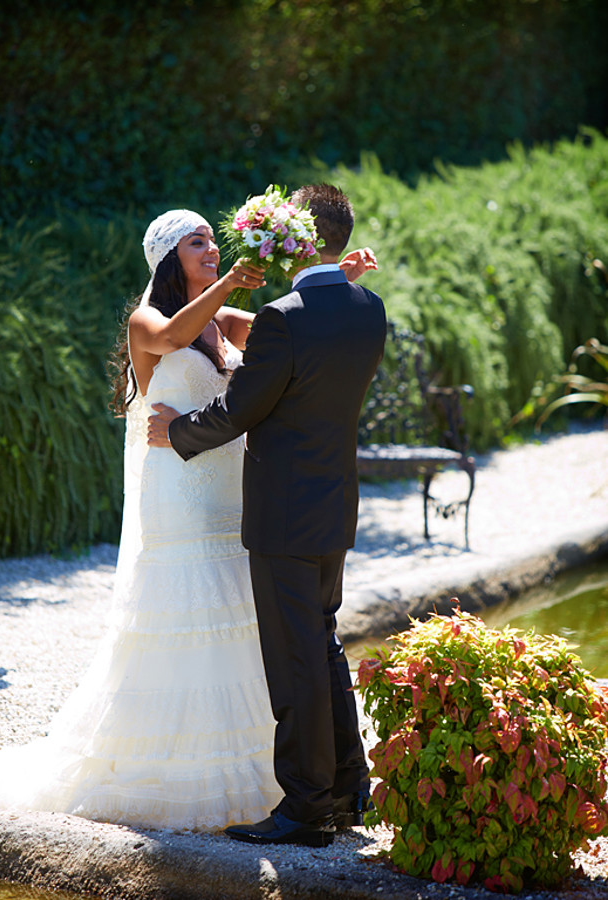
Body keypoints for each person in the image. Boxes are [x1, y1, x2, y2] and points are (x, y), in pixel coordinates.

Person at [0, 210, 282, 830]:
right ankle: (168, 768)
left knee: (235, 616)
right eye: (198, 242)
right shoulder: (148, 319)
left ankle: (256, 765)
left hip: (228, 490)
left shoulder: (223, 319)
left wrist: (326, 278)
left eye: (214, 240)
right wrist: (229, 284)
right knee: (187, 611)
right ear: (168, 258)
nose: (212, 248)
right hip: (178, 492)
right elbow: (168, 340)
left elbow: (281, 330)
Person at [147, 184, 387, 847]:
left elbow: (241, 407)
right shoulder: (368, 308)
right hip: (335, 503)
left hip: (283, 512)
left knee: (294, 659)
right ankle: (346, 791)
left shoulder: (285, 316)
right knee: (324, 643)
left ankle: (304, 811)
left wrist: (179, 433)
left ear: (298, 239)